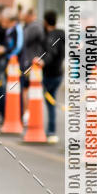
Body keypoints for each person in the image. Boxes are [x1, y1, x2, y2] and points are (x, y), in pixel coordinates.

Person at [35, 10, 65, 143]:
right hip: (59, 72)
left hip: (50, 74)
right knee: (51, 101)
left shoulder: (50, 37)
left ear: (45, 21)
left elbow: (50, 53)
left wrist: (42, 61)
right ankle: (50, 130)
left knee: (50, 101)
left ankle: (50, 130)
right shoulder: (61, 34)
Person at [0, 8, 23, 119]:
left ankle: (14, 115)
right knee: (2, 87)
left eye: (4, 20)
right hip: (5, 62)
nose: (3, 22)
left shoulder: (17, 29)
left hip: (14, 64)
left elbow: (17, 47)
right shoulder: (8, 30)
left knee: (12, 89)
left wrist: (5, 51)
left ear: (9, 20)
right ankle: (3, 113)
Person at [20, 8, 45, 122]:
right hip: (32, 62)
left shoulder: (33, 27)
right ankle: (29, 113)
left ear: (30, 15)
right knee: (30, 88)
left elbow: (23, 41)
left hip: (31, 63)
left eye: (25, 15)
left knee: (27, 88)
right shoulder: (33, 26)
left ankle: (27, 113)